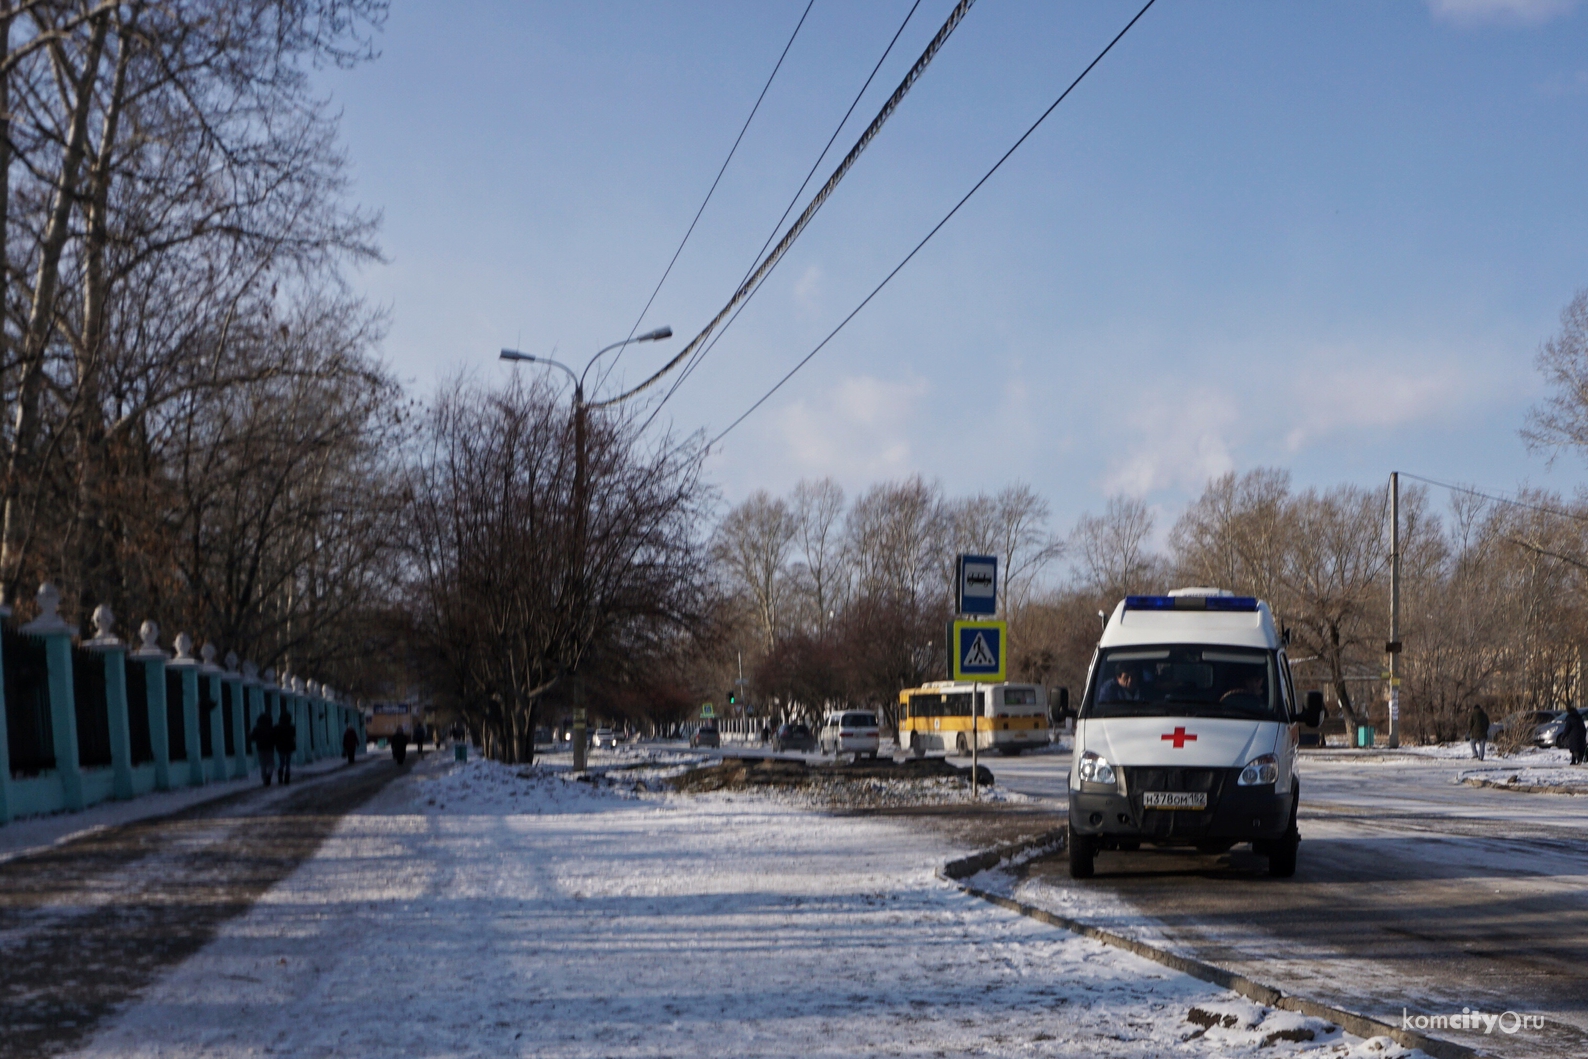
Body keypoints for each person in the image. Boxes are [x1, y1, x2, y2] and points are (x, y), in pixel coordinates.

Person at [250, 710, 276, 786]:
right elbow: (275, 738)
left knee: (263, 764)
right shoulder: (271, 728)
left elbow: (253, 738)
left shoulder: (257, 728)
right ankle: (269, 775)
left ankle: (264, 779)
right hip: (270, 748)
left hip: (260, 748)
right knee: (271, 763)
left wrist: (250, 735)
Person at [274, 709, 297, 785]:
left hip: (280, 747)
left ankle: (280, 778)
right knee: (288, 763)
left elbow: (275, 736)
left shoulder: (277, 727)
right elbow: (294, 735)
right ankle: (287, 779)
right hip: (289, 747)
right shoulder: (291, 727)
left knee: (281, 762)